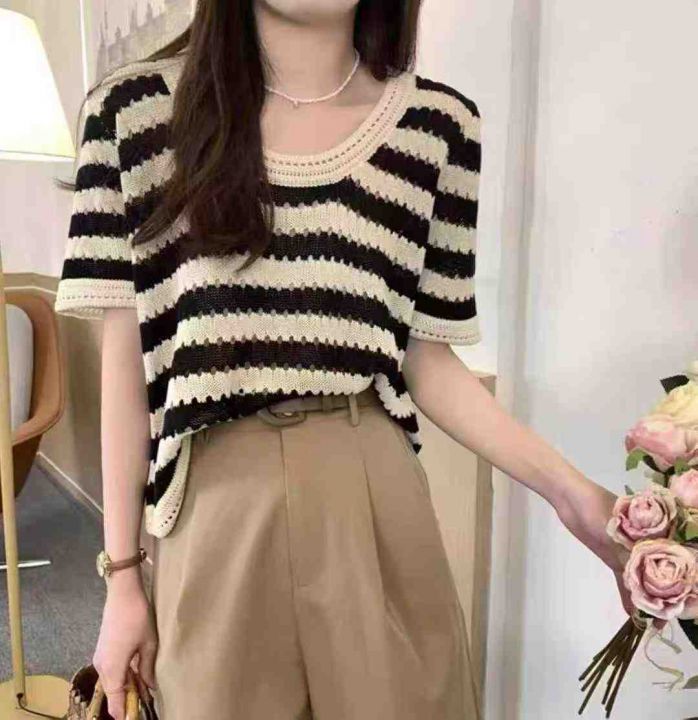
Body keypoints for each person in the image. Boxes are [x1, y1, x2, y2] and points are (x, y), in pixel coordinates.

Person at [54, 1, 632, 718]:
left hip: (374, 495)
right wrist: (122, 577)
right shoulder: (132, 114)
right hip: (215, 508)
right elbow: (125, 358)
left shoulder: (439, 128)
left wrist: (575, 496)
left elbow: (426, 360)